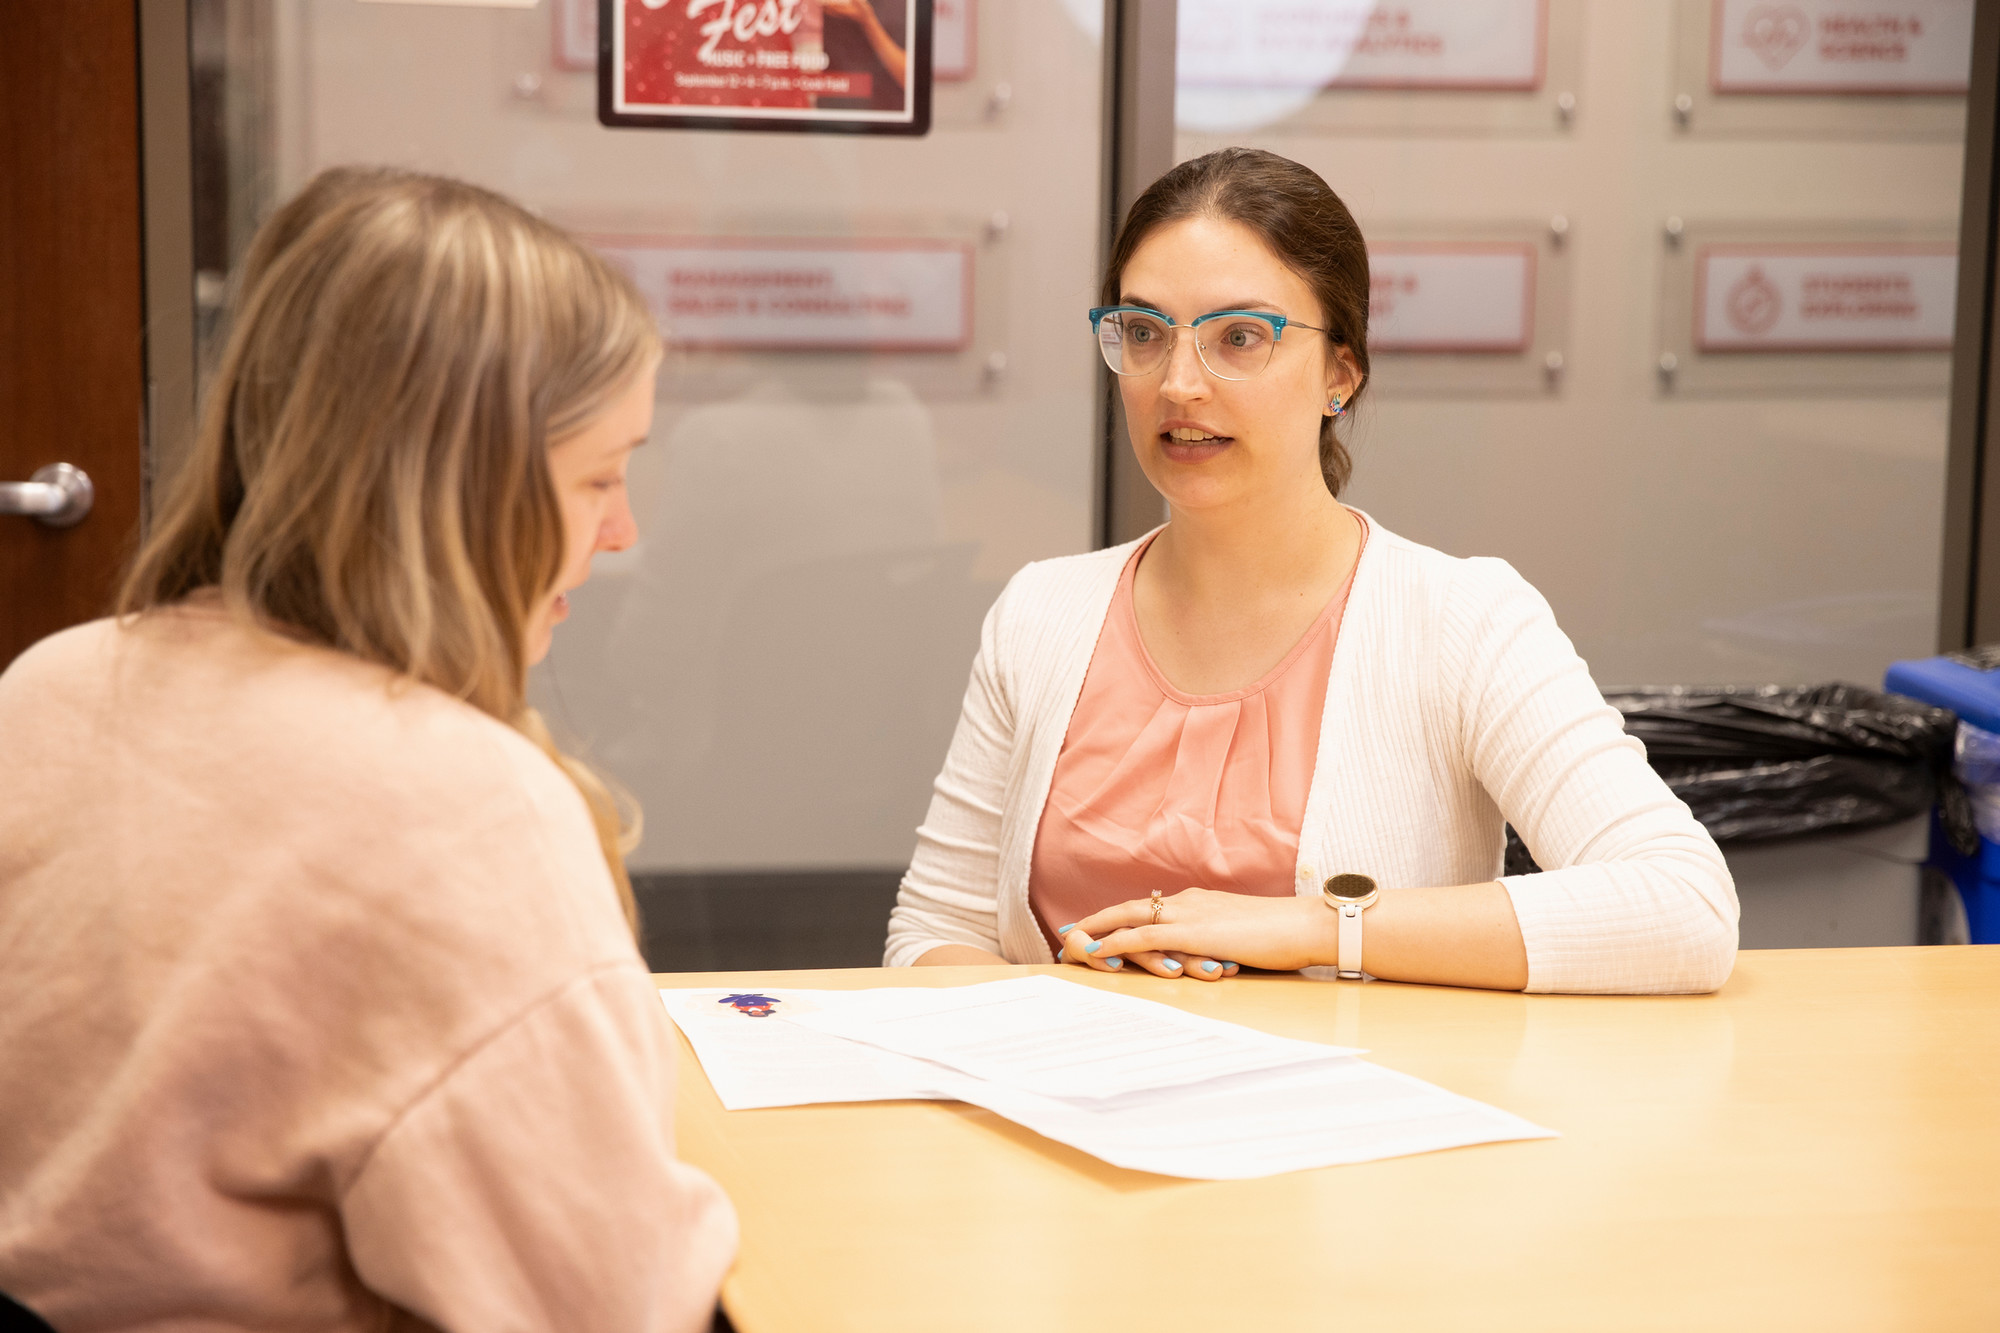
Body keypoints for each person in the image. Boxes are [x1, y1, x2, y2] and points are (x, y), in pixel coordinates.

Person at [0, 167, 736, 1329]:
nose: (621, 529)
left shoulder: (46, 688)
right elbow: (615, 1299)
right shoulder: (466, 804)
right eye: (598, 474)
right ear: (461, 487)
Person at [885, 148, 1738, 995]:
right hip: (1065, 1113)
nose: (1179, 383)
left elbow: (1684, 905)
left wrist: (1310, 928)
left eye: (1241, 337)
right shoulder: (1041, 612)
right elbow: (933, 932)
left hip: (1351, 1120)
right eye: (1145, 333)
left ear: (1341, 370)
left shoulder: (1460, 620)